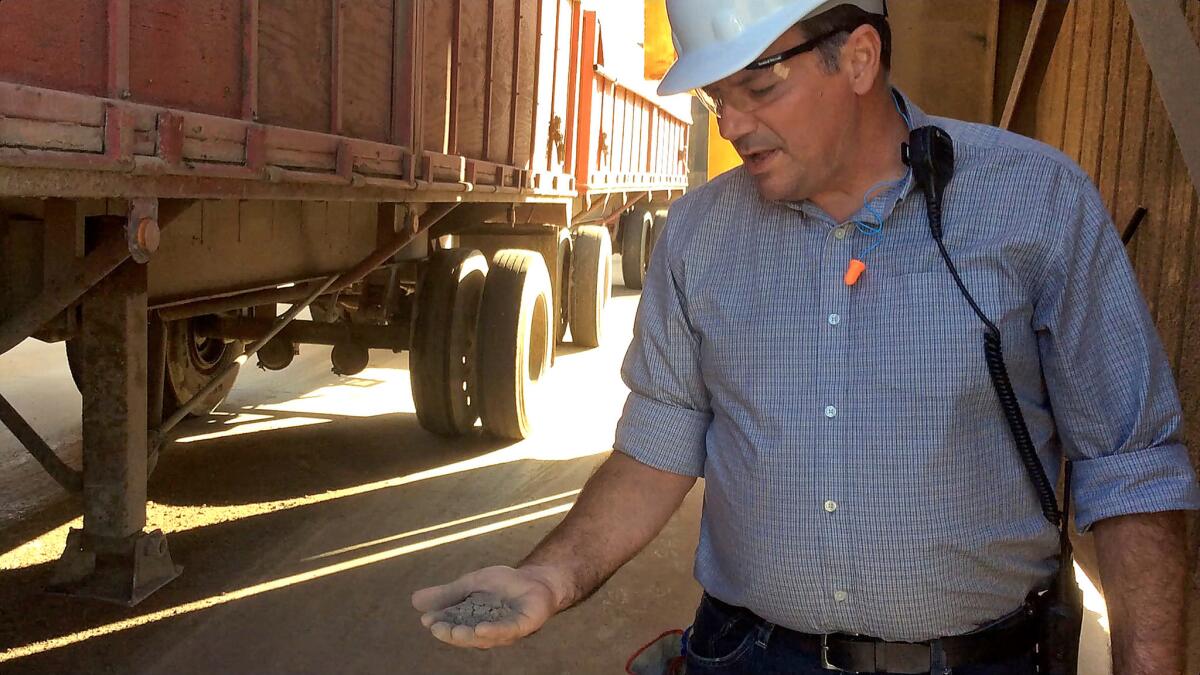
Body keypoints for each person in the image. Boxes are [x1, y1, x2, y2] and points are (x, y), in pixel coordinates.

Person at [412, 1, 1200, 672]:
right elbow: (656, 448)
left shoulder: (1036, 203)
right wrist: (549, 575)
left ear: (859, 58)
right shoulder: (698, 236)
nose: (733, 126)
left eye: (758, 85)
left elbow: (1132, 469)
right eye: (718, 97)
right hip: (747, 652)